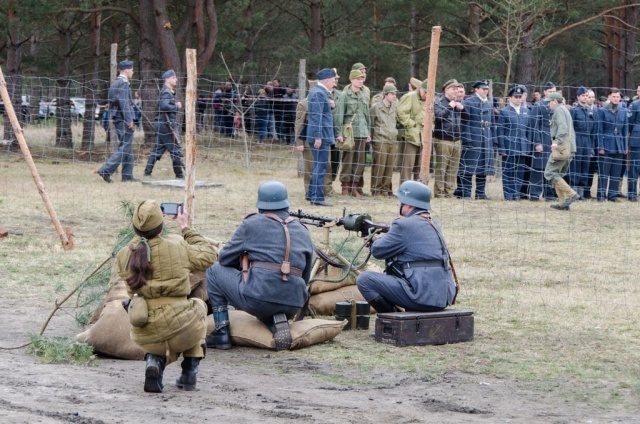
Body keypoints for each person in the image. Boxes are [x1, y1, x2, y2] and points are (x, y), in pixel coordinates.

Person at [116, 200, 217, 393]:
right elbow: (209, 255)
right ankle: (189, 373)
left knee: (158, 339)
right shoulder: (178, 248)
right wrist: (185, 227)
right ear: (161, 225)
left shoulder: (124, 256)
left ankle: (155, 361)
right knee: (198, 306)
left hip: (146, 334)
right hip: (183, 329)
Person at [205, 181, 314, 351]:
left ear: (261, 205)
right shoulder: (303, 230)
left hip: (258, 298)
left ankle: (221, 332)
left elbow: (225, 258)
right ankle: (273, 321)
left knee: (213, 271)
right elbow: (306, 276)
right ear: (286, 203)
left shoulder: (252, 223)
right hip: (294, 303)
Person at [356, 180, 457, 313]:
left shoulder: (403, 225)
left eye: (400, 200)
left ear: (408, 204)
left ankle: (394, 322)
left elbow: (377, 251)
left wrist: (374, 241)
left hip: (422, 296)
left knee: (365, 279)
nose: (398, 203)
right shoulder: (432, 222)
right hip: (442, 297)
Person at [97, 60, 137, 183]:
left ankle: (127, 175)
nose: (133, 72)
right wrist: (129, 119)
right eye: (131, 70)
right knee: (125, 146)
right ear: (126, 70)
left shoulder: (116, 83)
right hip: (123, 118)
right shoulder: (123, 83)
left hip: (118, 117)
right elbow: (123, 102)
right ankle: (106, 170)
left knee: (127, 146)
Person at [456, 79, 496, 199]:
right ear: (476, 89)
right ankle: (466, 192)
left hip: (486, 140)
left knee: (483, 168)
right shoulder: (469, 102)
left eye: (487, 89)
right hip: (473, 139)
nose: (485, 91)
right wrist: (467, 138)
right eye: (483, 89)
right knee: (468, 167)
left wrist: (493, 140)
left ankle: (480, 193)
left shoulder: (489, 104)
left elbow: (492, 124)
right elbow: (465, 122)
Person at [334, 69, 371, 197]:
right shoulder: (344, 95)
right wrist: (339, 133)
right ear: (351, 80)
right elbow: (339, 115)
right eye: (358, 79)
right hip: (349, 133)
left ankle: (354, 187)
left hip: (362, 131)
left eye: (362, 79)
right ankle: (345, 187)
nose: (360, 81)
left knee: (360, 161)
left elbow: (367, 115)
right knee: (347, 160)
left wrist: (368, 132)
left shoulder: (363, 95)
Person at [143, 70, 185, 179]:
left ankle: (147, 172)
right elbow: (164, 106)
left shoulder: (168, 91)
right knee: (175, 150)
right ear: (167, 79)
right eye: (173, 78)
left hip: (163, 123)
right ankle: (179, 175)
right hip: (166, 124)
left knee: (158, 149)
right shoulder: (166, 92)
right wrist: (177, 106)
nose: (176, 80)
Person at [306, 68, 338, 206]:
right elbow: (316, 116)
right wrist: (318, 136)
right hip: (321, 136)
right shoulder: (319, 93)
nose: (334, 83)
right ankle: (317, 198)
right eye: (333, 80)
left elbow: (321, 111)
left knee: (319, 165)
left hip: (321, 135)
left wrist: (329, 105)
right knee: (321, 166)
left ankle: (311, 194)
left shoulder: (319, 92)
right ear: (326, 80)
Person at [543, 93, 579, 210]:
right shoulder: (564, 109)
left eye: (549, 102)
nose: (548, 104)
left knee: (549, 172)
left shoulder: (558, 110)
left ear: (555, 101)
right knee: (557, 174)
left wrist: (556, 142)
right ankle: (563, 202)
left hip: (562, 148)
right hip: (569, 148)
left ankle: (570, 194)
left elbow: (562, 128)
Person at [497, 86, 530, 200]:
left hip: (522, 147)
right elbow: (500, 132)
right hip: (509, 146)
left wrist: (528, 147)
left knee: (519, 172)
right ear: (510, 98)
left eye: (520, 97)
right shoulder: (504, 111)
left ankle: (516, 194)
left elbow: (528, 131)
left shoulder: (526, 111)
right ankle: (508, 195)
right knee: (508, 172)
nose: (518, 99)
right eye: (516, 97)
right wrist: (502, 148)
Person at [433, 79, 464, 198]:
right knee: (442, 167)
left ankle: (449, 191)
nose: (456, 91)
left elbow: (466, 119)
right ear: (446, 90)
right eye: (453, 89)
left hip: (456, 139)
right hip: (443, 139)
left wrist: (462, 108)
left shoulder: (457, 102)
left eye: (457, 89)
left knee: (453, 168)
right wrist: (450, 107)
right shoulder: (439, 102)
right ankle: (439, 192)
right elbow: (439, 117)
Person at [597, 88, 628, 202]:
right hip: (606, 145)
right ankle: (601, 195)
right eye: (613, 96)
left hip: (619, 145)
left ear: (620, 98)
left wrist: (625, 147)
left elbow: (625, 131)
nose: (615, 99)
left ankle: (612, 196)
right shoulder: (602, 111)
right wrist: (600, 146)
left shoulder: (623, 111)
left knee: (616, 173)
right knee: (604, 173)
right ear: (609, 97)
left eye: (617, 97)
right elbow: (599, 130)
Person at [527, 82, 558, 201]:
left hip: (553, 143)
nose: (552, 94)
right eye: (550, 91)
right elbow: (534, 126)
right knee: (538, 168)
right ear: (544, 92)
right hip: (541, 141)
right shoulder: (538, 106)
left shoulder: (557, 106)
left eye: (554, 91)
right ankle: (534, 194)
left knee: (551, 169)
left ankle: (549, 194)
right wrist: (537, 143)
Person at [369, 84, 399, 197]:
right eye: (392, 94)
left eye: (395, 94)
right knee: (379, 165)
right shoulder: (376, 108)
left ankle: (386, 189)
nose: (394, 96)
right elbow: (371, 124)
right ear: (385, 95)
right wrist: (373, 140)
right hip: (380, 139)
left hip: (392, 140)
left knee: (389, 166)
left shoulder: (395, 107)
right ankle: (376, 189)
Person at [397, 78, 427, 185]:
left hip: (424, 137)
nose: (426, 95)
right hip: (410, 136)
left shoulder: (430, 99)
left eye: (429, 93)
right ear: (420, 89)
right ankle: (405, 189)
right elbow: (401, 113)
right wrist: (412, 124)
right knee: (407, 167)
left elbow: (432, 117)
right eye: (425, 92)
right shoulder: (409, 97)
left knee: (421, 166)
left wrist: (429, 128)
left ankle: (419, 190)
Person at [569, 86, 597, 200]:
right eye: (583, 96)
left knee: (585, 166)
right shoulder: (574, 111)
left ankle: (581, 193)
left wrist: (591, 147)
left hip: (587, 141)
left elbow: (593, 130)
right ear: (578, 97)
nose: (585, 98)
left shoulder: (590, 111)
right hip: (577, 140)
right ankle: (574, 193)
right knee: (576, 166)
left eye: (586, 95)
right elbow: (570, 129)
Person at [627, 85, 640, 202]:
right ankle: (632, 193)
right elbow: (630, 123)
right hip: (637, 140)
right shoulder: (634, 105)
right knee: (635, 168)